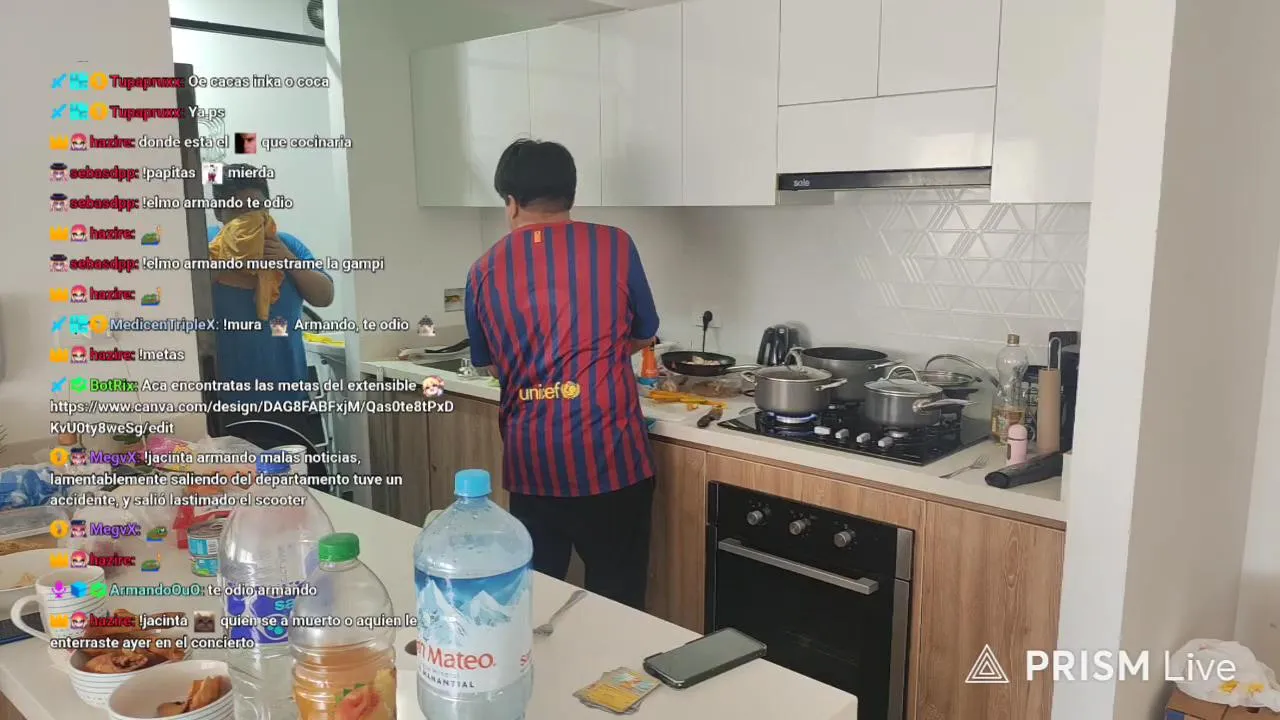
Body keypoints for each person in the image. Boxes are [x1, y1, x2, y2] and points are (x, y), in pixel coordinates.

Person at [464, 139, 660, 610]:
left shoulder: (483, 269)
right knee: (619, 604)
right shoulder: (615, 245)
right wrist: (597, 355)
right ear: (571, 193)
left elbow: (488, 362)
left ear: (511, 202)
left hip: (533, 463)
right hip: (613, 460)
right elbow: (644, 333)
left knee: (534, 602)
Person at [207, 166, 335, 477]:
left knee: (295, 487)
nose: (248, 215)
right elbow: (183, 300)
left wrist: (287, 260)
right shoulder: (205, 246)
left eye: (256, 206)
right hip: (225, 401)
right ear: (219, 212)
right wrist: (227, 259)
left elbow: (324, 295)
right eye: (238, 208)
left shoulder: (285, 243)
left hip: (287, 396)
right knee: (234, 490)